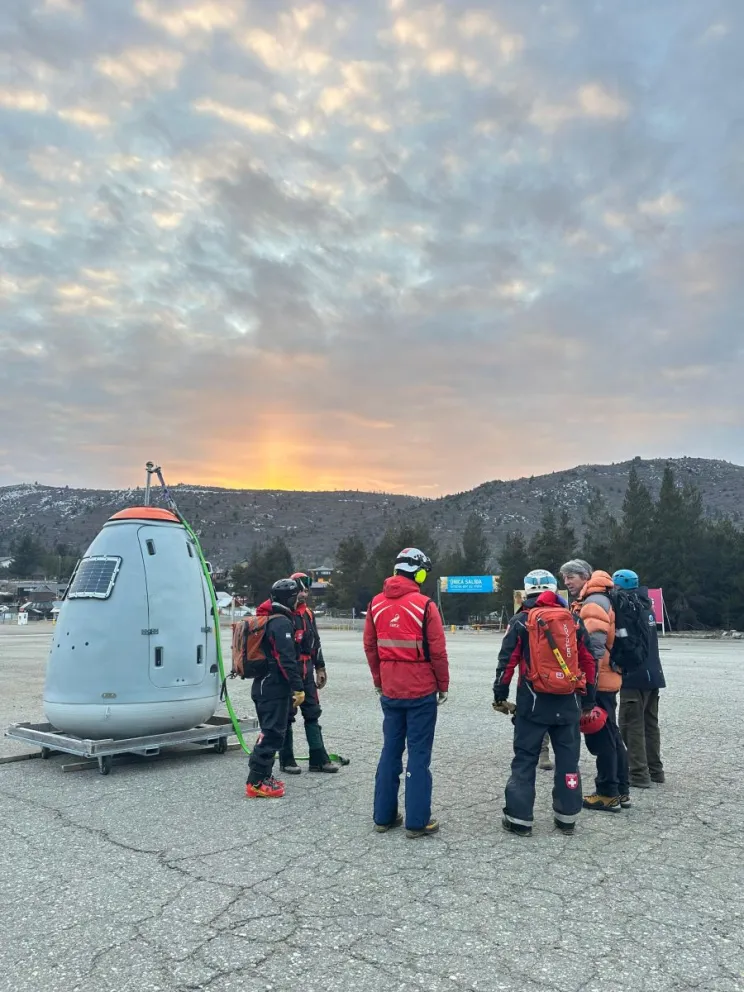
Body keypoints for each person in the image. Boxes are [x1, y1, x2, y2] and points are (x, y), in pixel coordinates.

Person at [493, 574, 597, 837]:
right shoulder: (572, 620)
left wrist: (500, 694)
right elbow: (589, 661)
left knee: (525, 760)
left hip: (533, 703)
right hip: (569, 701)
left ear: (526, 592)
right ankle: (567, 817)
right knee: (568, 761)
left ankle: (519, 819)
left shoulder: (520, 621)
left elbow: (507, 662)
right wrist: (589, 699)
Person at [364, 548, 449, 839]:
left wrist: (379, 680)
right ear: (420, 573)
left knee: (390, 751)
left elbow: (371, 647)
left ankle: (383, 817)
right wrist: (443, 684)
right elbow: (437, 651)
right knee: (419, 755)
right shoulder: (425, 606)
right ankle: (417, 821)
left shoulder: (375, 604)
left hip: (391, 689)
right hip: (421, 690)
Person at [560, 559, 630, 812]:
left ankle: (607, 792)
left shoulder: (593, 603)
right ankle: (621, 790)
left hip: (599, 681)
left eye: (571, 577)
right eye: (565, 578)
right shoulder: (598, 598)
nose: (567, 583)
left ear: (585, 576)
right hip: (607, 678)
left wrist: (588, 686)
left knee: (601, 737)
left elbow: (594, 649)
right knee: (611, 733)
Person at [246, 579, 306, 799]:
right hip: (272, 687)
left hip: (264, 685)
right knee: (272, 733)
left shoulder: (269, 618)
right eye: (296, 597)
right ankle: (256, 781)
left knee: (271, 732)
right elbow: (286, 659)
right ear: (289, 599)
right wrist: (298, 688)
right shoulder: (280, 623)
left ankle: (263, 775)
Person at [279, 571, 338, 775]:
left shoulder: (308, 615)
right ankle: (286, 759)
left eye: (306, 589)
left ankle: (318, 759)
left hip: (307, 670)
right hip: (288, 672)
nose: (304, 593)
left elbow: (316, 643)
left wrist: (320, 667)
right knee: (286, 716)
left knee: (312, 713)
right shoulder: (282, 615)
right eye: (300, 589)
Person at [613, 569, 666, 788]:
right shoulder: (647, 605)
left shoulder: (626, 606)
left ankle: (638, 774)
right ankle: (655, 771)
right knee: (650, 724)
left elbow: (624, 640)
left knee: (630, 725)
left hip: (633, 676)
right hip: (654, 674)